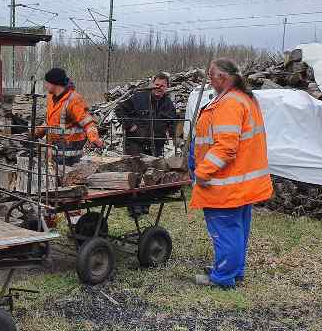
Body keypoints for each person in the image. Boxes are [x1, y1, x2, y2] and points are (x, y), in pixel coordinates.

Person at [190, 59, 273, 289]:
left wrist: (203, 172)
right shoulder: (243, 98)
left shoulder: (229, 103)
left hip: (225, 184)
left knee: (225, 231)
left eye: (211, 75)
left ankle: (223, 277)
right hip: (240, 182)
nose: (209, 80)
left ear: (223, 78)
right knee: (236, 229)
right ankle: (233, 270)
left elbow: (226, 146)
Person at [35, 67, 103, 167]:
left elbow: (88, 123)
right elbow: (50, 122)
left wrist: (94, 139)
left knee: (69, 176)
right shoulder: (51, 98)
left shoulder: (74, 100)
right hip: (54, 152)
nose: (46, 85)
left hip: (70, 155)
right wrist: (36, 133)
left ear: (54, 83)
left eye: (47, 83)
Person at [116, 72, 179, 157]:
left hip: (156, 148)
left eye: (162, 86)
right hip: (135, 146)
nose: (158, 88)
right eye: (157, 85)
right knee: (135, 165)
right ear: (152, 84)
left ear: (167, 87)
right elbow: (119, 110)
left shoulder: (168, 104)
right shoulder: (139, 98)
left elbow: (173, 121)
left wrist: (169, 133)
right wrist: (130, 126)